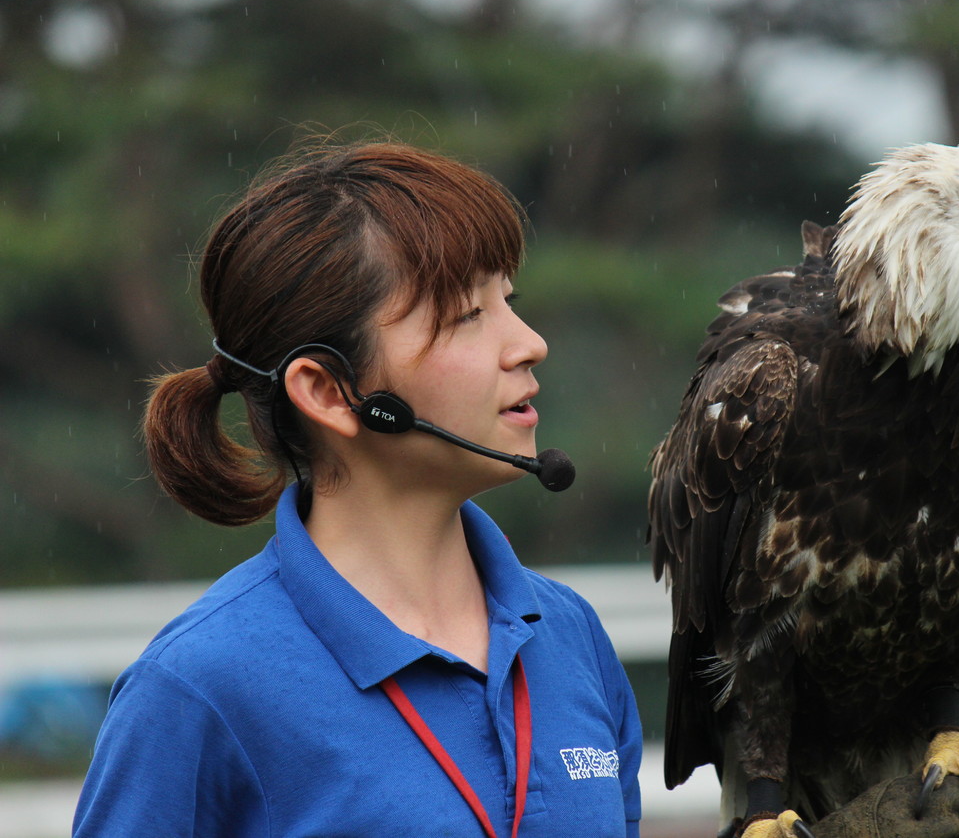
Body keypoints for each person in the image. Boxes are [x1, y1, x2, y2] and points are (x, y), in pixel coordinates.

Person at [73, 139, 642, 837]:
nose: (528, 342)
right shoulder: (199, 686)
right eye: (468, 315)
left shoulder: (569, 633)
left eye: (510, 302)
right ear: (329, 392)